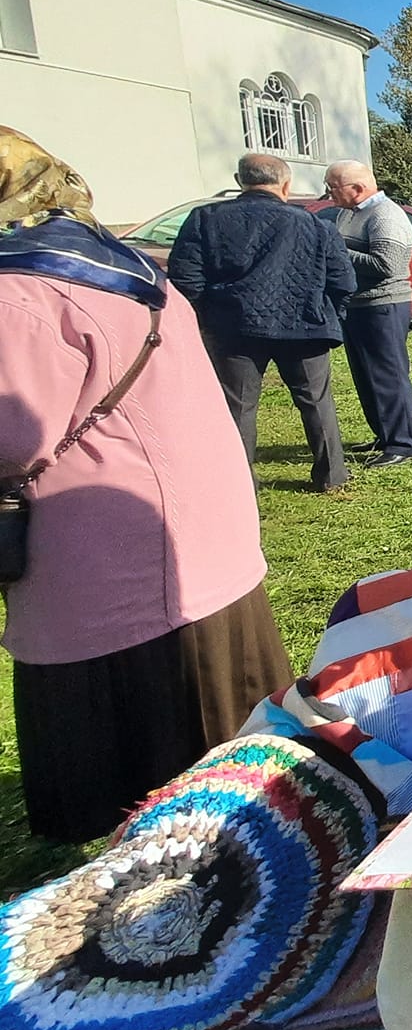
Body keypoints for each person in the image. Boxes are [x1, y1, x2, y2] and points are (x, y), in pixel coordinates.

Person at [0, 129, 289, 842]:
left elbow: (12, 436)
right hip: (202, 532)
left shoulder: (20, 291)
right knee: (225, 737)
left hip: (116, 559)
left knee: (151, 755)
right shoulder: (124, 263)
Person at [167, 150, 356, 491]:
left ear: (241, 182)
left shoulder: (205, 219)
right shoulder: (315, 225)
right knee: (316, 402)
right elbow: (343, 280)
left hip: (234, 328)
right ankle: (332, 476)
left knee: (238, 406)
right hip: (304, 325)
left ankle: (238, 482)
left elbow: (185, 279)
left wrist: (207, 317)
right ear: (286, 185)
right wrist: (328, 313)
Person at [325, 160, 412, 467]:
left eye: (333, 187)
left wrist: (336, 250)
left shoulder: (386, 216)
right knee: (365, 375)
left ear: (357, 188)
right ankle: (384, 433)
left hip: (384, 305)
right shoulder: (348, 214)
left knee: (387, 375)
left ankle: (403, 444)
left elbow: (386, 266)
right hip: (358, 305)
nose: (328, 194)